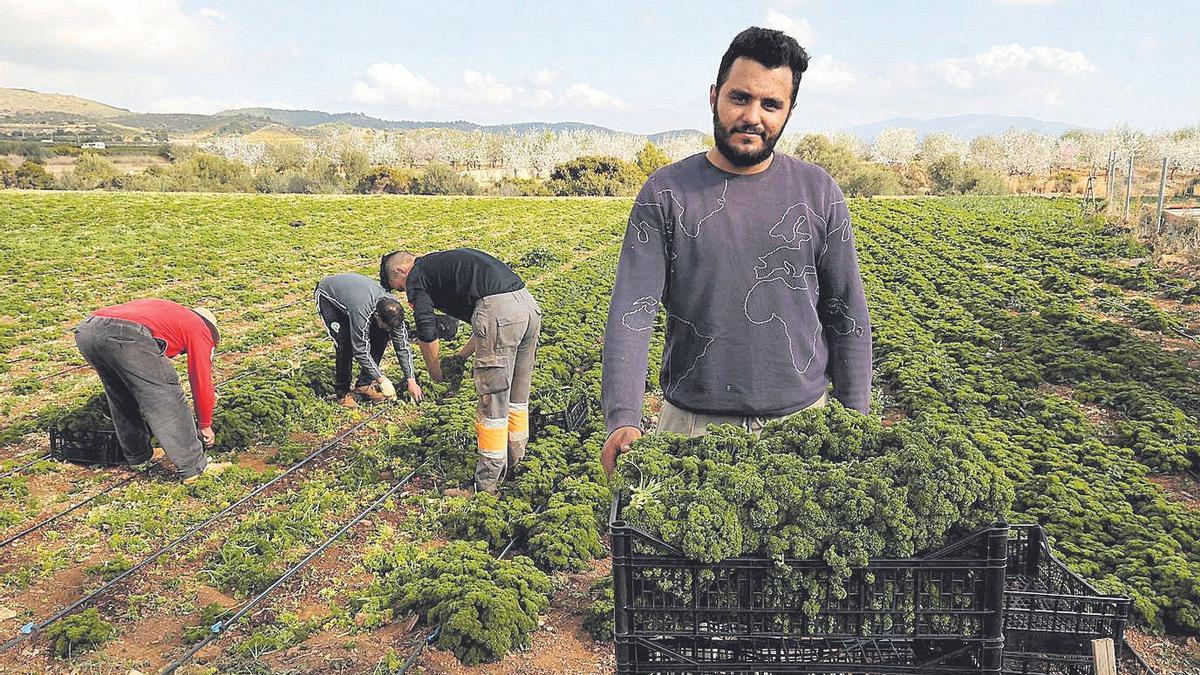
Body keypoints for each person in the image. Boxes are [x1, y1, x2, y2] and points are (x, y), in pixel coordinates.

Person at [600, 26, 873, 474]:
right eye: (740, 98)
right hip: (690, 433)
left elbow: (847, 315)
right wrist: (623, 417)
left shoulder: (818, 192)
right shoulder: (666, 193)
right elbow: (633, 309)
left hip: (802, 430)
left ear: (789, 111)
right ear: (714, 96)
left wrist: (855, 423)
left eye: (771, 105)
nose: (753, 116)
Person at [380, 248, 541, 495]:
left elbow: (426, 327)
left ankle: (485, 486)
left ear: (401, 271)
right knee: (517, 399)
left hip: (501, 314)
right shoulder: (444, 265)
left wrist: (435, 371)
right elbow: (486, 322)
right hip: (527, 307)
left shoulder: (416, 275)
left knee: (493, 405)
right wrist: (460, 356)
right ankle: (515, 465)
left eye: (400, 288)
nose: (404, 292)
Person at [74, 298, 230, 482]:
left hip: (87, 330)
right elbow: (200, 378)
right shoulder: (200, 329)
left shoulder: (170, 313)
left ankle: (138, 456)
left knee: (120, 394)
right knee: (166, 396)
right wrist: (205, 424)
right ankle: (194, 468)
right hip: (127, 335)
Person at [314, 273, 422, 407]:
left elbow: (402, 347)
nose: (390, 329)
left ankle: (363, 385)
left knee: (382, 336)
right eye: (386, 326)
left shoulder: (394, 313)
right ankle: (342, 394)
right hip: (329, 297)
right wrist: (382, 380)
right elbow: (360, 351)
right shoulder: (362, 313)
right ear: (376, 316)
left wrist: (411, 380)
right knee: (345, 344)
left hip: (356, 296)